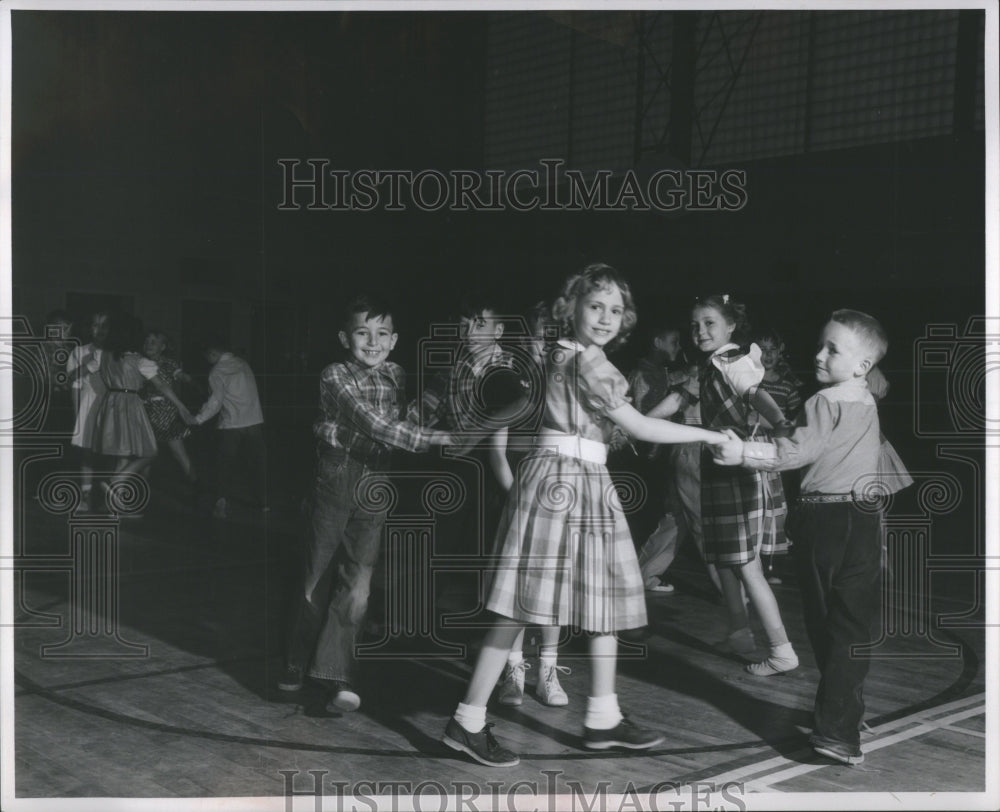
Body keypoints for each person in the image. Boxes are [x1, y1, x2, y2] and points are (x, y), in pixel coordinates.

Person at [441, 264, 728, 767]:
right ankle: (468, 721)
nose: (605, 317)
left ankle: (602, 718)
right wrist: (709, 435)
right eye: (595, 305)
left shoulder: (569, 354)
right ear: (569, 308)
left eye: (616, 309)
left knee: (602, 602)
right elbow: (638, 426)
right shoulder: (586, 362)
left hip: (580, 479)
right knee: (521, 610)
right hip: (564, 481)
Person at [712, 309, 889, 767]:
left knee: (826, 623)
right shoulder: (866, 394)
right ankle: (843, 718)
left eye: (833, 348)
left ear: (860, 366)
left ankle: (836, 731)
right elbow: (803, 433)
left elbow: (794, 450)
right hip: (866, 519)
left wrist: (741, 453)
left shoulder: (824, 402)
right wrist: (754, 389)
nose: (819, 354)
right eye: (821, 344)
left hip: (826, 522)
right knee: (851, 626)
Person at [278, 295, 453, 713]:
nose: (372, 342)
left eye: (381, 334)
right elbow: (373, 423)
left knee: (358, 583)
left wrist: (443, 385)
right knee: (315, 578)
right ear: (345, 337)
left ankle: (337, 675)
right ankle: (296, 658)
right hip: (337, 476)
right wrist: (440, 439)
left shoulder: (395, 373)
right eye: (362, 333)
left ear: (394, 340)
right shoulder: (334, 374)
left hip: (377, 479)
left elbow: (404, 421)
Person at [691, 294, 797, 675]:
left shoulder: (731, 360)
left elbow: (756, 394)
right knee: (723, 559)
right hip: (723, 468)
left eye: (709, 323)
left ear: (731, 326)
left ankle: (781, 649)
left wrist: (782, 426)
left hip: (739, 469)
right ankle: (739, 632)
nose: (700, 331)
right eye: (696, 325)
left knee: (747, 566)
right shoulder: (711, 365)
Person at [90, 313, 193, 512]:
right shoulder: (139, 361)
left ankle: (111, 505)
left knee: (122, 456)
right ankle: (116, 480)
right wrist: (181, 406)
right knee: (149, 451)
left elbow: (87, 372)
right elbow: (162, 385)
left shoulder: (102, 355)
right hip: (130, 404)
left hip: (110, 403)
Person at [627, 326, 694, 595]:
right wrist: (653, 448)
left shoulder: (661, 373)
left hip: (657, 453)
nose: (678, 347)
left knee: (667, 516)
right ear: (657, 341)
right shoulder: (644, 375)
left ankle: (644, 573)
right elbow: (644, 416)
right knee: (651, 517)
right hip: (647, 457)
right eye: (673, 341)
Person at [185, 336, 267, 518]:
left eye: (208, 357)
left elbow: (215, 401)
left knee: (225, 464)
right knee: (258, 463)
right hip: (253, 421)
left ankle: (222, 501)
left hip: (231, 424)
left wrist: (198, 418)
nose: (207, 362)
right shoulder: (243, 364)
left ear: (213, 353)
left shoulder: (217, 371)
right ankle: (263, 503)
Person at [754, 327, 805, 585]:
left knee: (778, 509)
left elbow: (796, 417)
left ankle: (771, 563)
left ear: (780, 351)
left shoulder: (787, 385)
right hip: (755, 449)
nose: (768, 355)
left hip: (780, 453)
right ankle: (754, 563)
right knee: (757, 508)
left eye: (772, 349)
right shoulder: (751, 381)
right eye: (762, 350)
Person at [141, 331, 199, 495]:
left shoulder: (169, 363)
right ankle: (141, 492)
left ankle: (197, 486)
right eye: (146, 341)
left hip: (166, 412)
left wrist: (186, 378)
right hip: (145, 411)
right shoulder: (139, 362)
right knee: (145, 454)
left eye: (153, 342)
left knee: (178, 452)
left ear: (163, 347)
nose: (148, 345)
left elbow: (178, 374)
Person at [66, 310, 109, 508]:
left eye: (104, 325)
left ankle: (115, 493)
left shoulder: (119, 352)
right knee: (86, 452)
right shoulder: (79, 352)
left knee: (113, 450)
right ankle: (85, 493)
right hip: (87, 403)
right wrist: (77, 416)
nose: (99, 330)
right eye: (95, 325)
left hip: (112, 405)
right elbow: (74, 384)